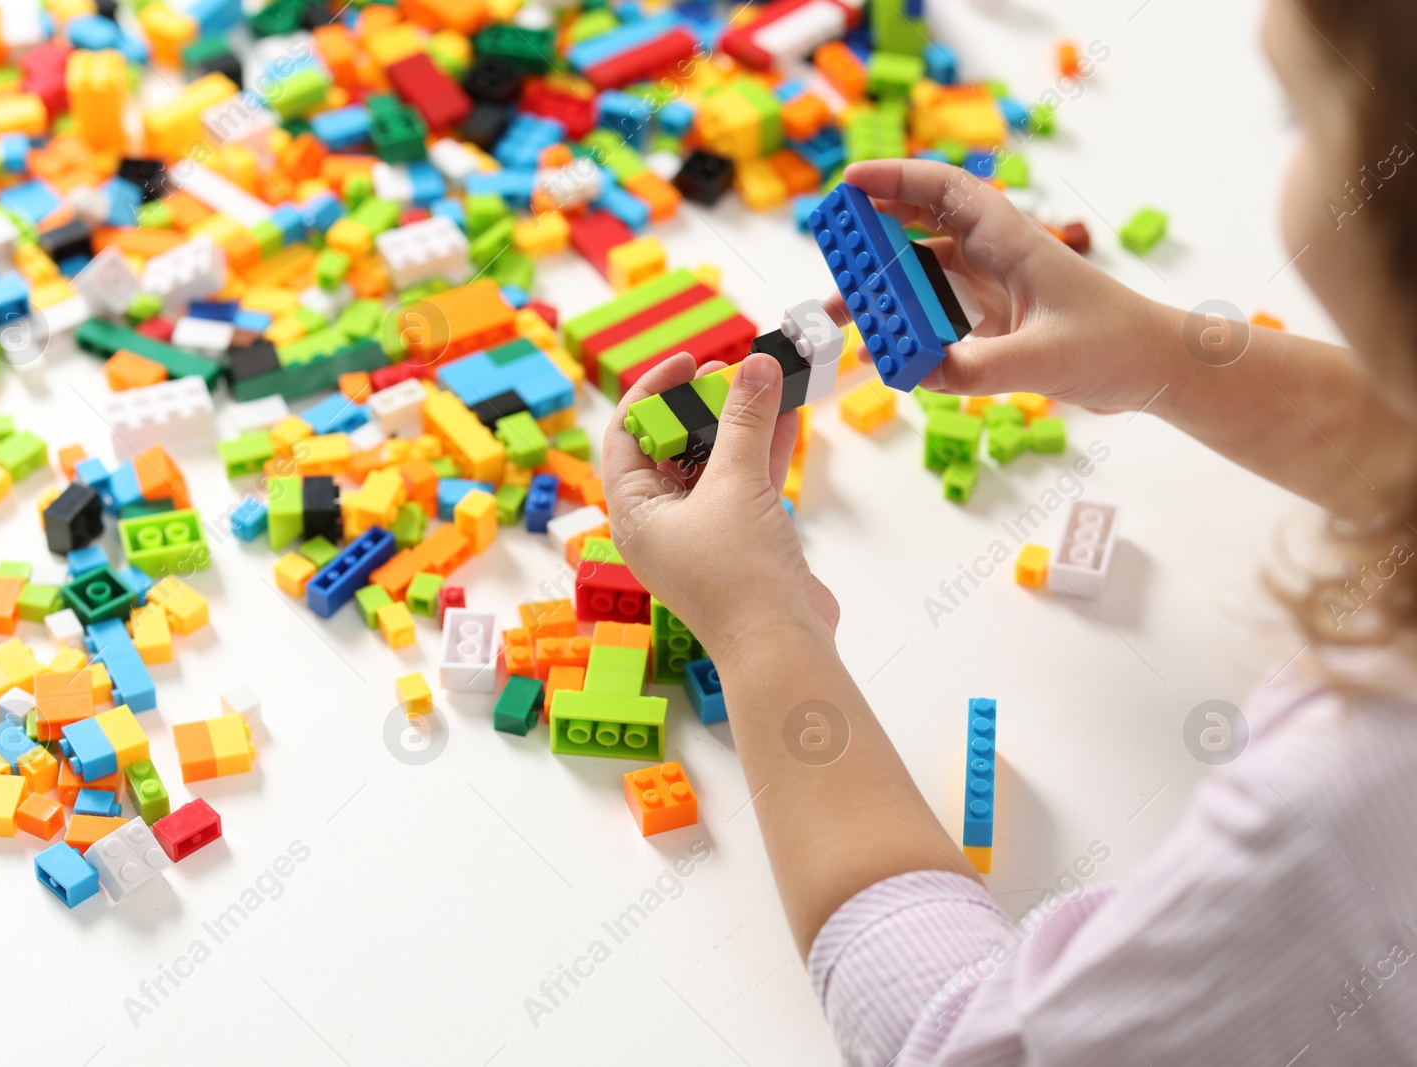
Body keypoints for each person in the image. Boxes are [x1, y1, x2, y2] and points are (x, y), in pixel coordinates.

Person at [600, 0, 1417, 1062]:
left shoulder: (1350, 803)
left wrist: (760, 625)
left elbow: (965, 1040)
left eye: (1294, 115)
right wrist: (1161, 353)